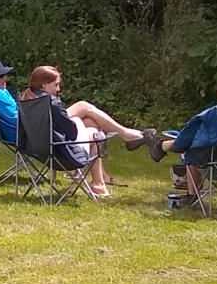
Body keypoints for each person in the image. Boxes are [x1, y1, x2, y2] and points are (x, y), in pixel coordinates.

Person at [19, 65, 145, 197]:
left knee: (90, 122)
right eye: (56, 85)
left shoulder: (26, 100)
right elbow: (72, 134)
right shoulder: (52, 103)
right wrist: (75, 122)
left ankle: (98, 181)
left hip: (41, 154)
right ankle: (99, 184)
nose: (58, 89)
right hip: (62, 156)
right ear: (44, 85)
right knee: (96, 134)